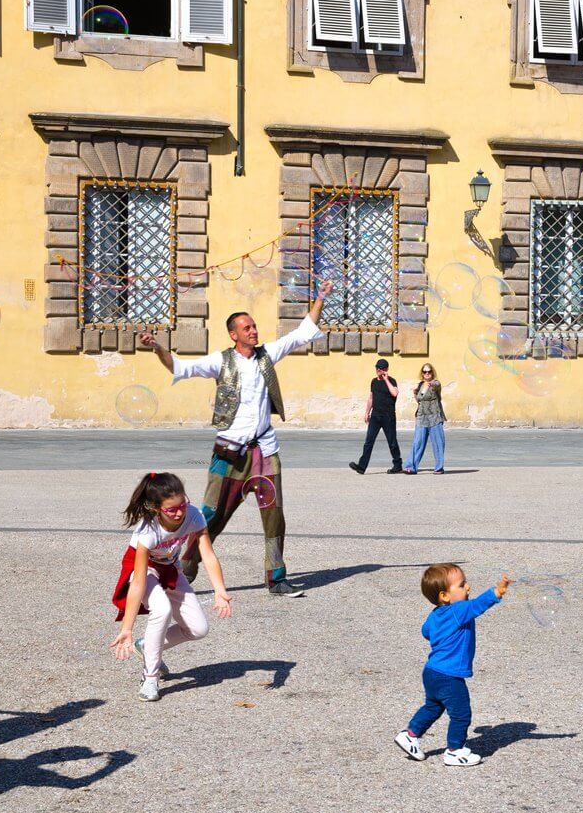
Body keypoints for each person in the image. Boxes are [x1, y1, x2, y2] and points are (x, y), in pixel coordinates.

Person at [139, 280, 334, 597]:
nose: (253, 331)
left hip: (265, 453)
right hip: (229, 455)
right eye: (247, 328)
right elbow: (179, 366)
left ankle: (277, 578)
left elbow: (303, 331)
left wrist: (321, 297)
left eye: (254, 326)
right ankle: (181, 572)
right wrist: (158, 348)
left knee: (274, 517)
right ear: (233, 334)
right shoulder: (220, 361)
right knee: (211, 517)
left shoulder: (267, 355)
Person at [110, 472, 232, 702]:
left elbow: (207, 553)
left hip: (171, 568)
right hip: (143, 569)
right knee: (162, 609)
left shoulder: (193, 515)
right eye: (171, 509)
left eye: (183, 505)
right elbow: (138, 582)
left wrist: (220, 591)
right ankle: (150, 677)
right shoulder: (148, 531)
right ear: (156, 508)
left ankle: (146, 645)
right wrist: (127, 627)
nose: (179, 513)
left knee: (198, 629)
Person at [394, 564, 511, 767]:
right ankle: (455, 751)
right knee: (461, 713)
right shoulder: (459, 610)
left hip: (431, 672)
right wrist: (497, 592)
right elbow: (479, 605)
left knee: (433, 706)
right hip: (448, 676)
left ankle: (410, 735)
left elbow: (426, 631)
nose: (468, 587)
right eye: (462, 584)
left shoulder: (435, 614)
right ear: (445, 596)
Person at [350, 358, 403, 475]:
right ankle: (361, 467)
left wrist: (386, 379)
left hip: (388, 417)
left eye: (382, 368)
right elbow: (371, 398)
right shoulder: (373, 381)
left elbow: (395, 393)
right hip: (375, 416)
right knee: (368, 441)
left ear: (386, 369)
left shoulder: (392, 381)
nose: (379, 370)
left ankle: (398, 465)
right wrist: (366, 412)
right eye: (378, 368)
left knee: (392, 442)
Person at [403, 363, 446, 475]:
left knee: (438, 443)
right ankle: (411, 467)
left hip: (434, 416)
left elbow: (437, 386)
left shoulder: (435, 383)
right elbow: (420, 400)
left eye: (429, 371)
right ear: (422, 373)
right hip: (422, 417)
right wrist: (415, 394)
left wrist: (431, 385)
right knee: (418, 442)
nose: (427, 373)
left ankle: (439, 467)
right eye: (425, 371)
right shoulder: (420, 385)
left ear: (432, 372)